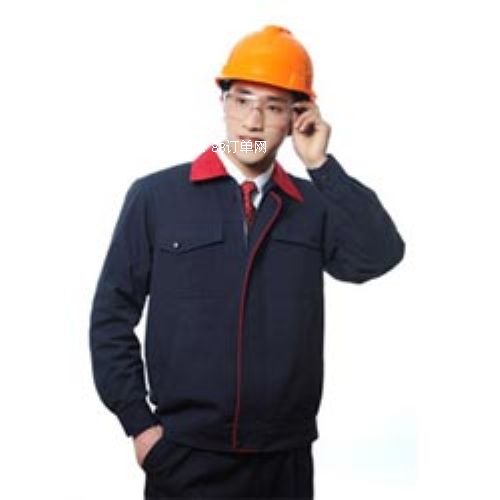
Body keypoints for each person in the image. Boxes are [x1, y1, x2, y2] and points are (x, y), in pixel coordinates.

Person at [89, 25, 406, 499]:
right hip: (185, 456)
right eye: (242, 100)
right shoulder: (157, 197)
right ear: (223, 103)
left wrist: (322, 167)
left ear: (297, 117)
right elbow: (111, 317)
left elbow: (380, 254)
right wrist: (141, 427)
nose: (253, 122)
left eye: (273, 107)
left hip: (284, 461)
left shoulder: (312, 207)